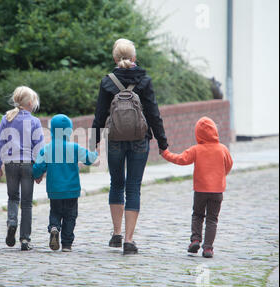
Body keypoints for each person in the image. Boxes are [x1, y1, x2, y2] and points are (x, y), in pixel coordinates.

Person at [91, 38, 169, 255]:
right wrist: (163, 144)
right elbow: (154, 114)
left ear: (115, 59)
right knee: (133, 187)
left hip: (115, 139)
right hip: (139, 140)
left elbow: (99, 115)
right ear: (134, 58)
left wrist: (94, 142)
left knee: (116, 183)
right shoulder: (144, 80)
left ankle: (116, 233)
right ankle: (129, 239)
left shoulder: (108, 82)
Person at [161, 117, 233, 258]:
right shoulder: (223, 149)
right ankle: (208, 248)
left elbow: (181, 159)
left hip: (200, 190)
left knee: (198, 215)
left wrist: (165, 153)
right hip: (217, 191)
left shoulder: (196, 149)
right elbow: (229, 164)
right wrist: (222, 175)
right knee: (212, 219)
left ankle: (195, 240)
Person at [33, 114, 98, 252]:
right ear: (69, 131)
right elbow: (89, 159)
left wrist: (36, 175)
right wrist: (95, 152)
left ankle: (54, 227)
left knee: (55, 212)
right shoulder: (74, 147)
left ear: (51, 131)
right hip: (72, 190)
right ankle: (67, 244)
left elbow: (38, 167)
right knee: (70, 216)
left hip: (54, 190)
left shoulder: (47, 148)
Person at [0, 86, 44, 251]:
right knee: (27, 203)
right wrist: (40, 170)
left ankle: (12, 223)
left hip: (11, 164)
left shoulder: (6, 118)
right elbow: (39, 147)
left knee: (13, 198)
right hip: (28, 164)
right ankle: (25, 239)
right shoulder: (34, 121)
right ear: (30, 102)